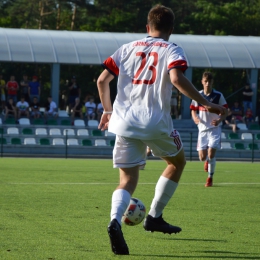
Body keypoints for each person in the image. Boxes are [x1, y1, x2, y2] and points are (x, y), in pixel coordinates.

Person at [96, 5, 226, 255]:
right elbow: (176, 79)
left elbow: (102, 80)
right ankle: (154, 216)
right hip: (154, 122)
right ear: (171, 30)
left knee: (126, 180)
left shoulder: (126, 48)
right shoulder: (172, 49)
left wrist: (108, 111)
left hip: (123, 122)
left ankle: (114, 221)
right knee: (177, 162)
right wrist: (207, 103)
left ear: (147, 27)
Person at [190, 72, 228, 187]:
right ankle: (206, 161)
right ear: (202, 82)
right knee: (202, 157)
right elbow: (193, 109)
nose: (207, 84)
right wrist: (195, 117)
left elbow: (226, 112)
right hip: (202, 129)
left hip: (214, 129)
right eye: (205, 81)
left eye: (209, 82)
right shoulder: (198, 95)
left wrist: (219, 120)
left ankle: (210, 178)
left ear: (212, 83)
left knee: (211, 153)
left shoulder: (218, 96)